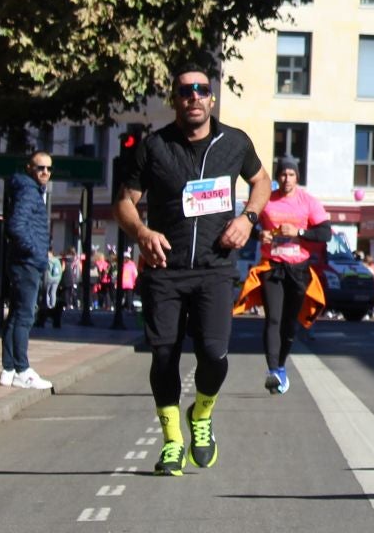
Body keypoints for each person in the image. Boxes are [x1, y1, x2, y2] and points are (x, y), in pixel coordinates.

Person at [115, 65, 271, 477]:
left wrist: (248, 218)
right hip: (165, 270)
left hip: (215, 269)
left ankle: (201, 414)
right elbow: (125, 201)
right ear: (175, 100)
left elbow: (261, 181)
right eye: (186, 91)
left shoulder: (234, 142)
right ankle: (172, 442)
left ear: (212, 98)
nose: (194, 97)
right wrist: (142, 232)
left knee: (215, 356)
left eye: (202, 90)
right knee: (164, 355)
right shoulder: (154, 147)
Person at [236, 158, 327, 394]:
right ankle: (273, 371)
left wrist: (299, 232)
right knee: (273, 319)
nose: (287, 179)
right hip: (272, 266)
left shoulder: (308, 201)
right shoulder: (266, 199)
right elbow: (246, 222)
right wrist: (259, 235)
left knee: (290, 321)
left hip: (298, 269)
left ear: (298, 177)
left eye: (291, 174)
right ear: (277, 177)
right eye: (283, 174)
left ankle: (281, 366)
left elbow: (325, 233)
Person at [1, 151, 54, 390]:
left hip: (23, 261)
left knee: (16, 315)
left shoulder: (28, 190)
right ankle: (22, 369)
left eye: (49, 169)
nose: (45, 172)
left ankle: (9, 369)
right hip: (27, 263)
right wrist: (35, 251)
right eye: (40, 168)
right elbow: (16, 226)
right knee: (24, 316)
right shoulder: (29, 192)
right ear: (29, 168)